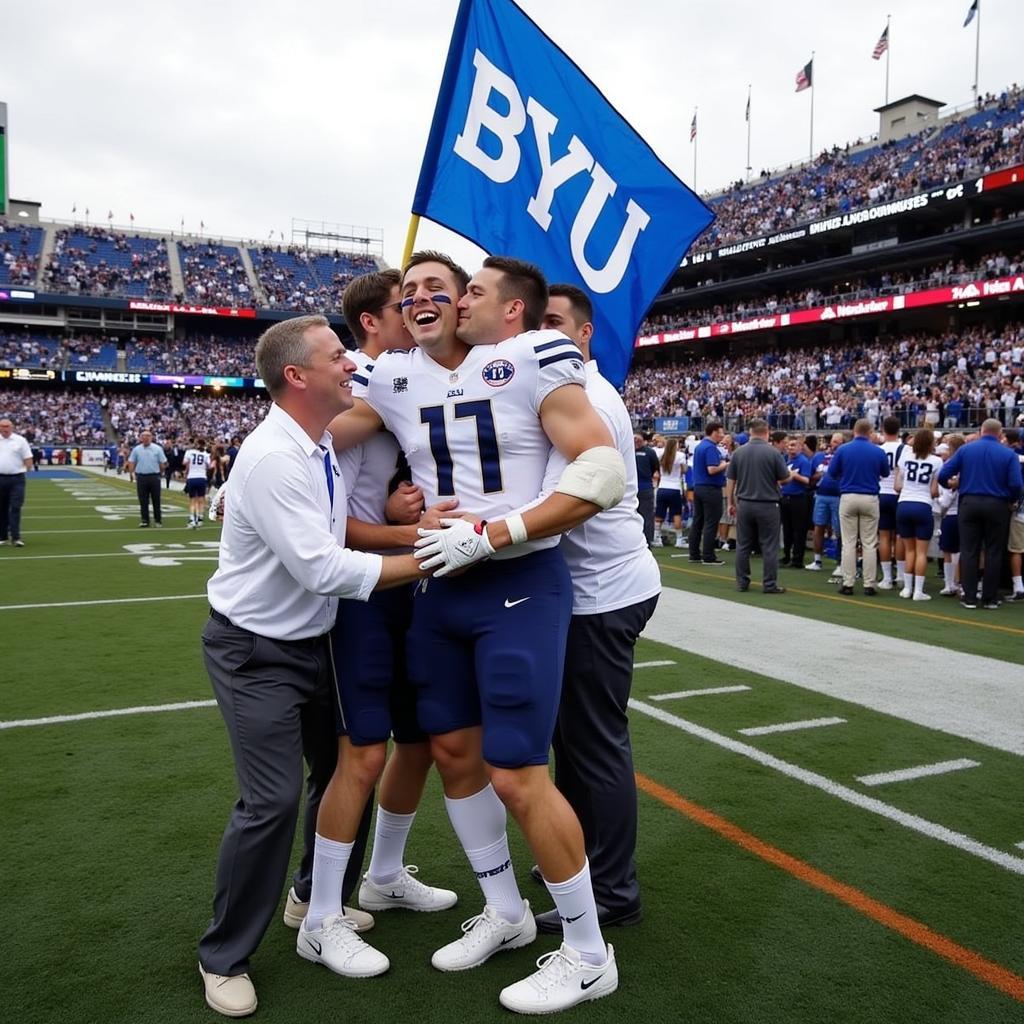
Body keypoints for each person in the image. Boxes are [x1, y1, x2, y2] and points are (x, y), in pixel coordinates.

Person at [333, 253, 626, 1014]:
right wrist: (257, 462)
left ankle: (591, 954)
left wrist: (496, 534)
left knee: (517, 769)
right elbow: (323, 429)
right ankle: (505, 912)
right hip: (440, 588)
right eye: (413, 291)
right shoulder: (393, 374)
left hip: (517, 582)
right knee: (454, 754)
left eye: (446, 287)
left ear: (477, 304)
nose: (428, 299)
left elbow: (600, 471)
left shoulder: (528, 354)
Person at [197, 314, 428, 1018]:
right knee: (270, 801)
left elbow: (338, 532)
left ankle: (310, 901)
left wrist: (408, 522)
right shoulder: (273, 455)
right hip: (256, 651)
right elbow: (322, 567)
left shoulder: (318, 437)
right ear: (297, 376)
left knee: (345, 771)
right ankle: (223, 956)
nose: (353, 364)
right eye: (338, 356)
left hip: (312, 643)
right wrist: (432, 556)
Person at [289, 270, 458, 978]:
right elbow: (336, 529)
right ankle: (318, 911)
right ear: (370, 326)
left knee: (419, 742)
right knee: (361, 753)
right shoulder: (351, 405)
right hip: (363, 596)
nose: (417, 312)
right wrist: (410, 533)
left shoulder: (399, 386)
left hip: (411, 592)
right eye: (401, 306)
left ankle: (381, 876)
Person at [532, 283, 660, 933]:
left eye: (555, 322)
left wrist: (487, 534)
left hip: (603, 593)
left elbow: (566, 506)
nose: (544, 331)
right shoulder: (567, 390)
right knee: (572, 741)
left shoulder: (589, 399)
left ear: (584, 334)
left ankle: (611, 889)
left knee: (595, 744)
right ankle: (577, 857)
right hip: (592, 589)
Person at [937, 418, 1023, 609]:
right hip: (997, 504)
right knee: (993, 551)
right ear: (1000, 434)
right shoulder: (1008, 454)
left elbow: (943, 474)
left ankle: (969, 596)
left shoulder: (966, 450)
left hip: (969, 502)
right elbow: (1017, 484)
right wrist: (1011, 500)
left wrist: (951, 485)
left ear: (981, 431)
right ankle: (990, 597)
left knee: (969, 550)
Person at [725, 419, 791, 594]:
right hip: (768, 504)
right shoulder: (773, 452)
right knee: (769, 545)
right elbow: (784, 478)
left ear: (750, 432)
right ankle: (769, 584)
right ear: (767, 432)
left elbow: (731, 480)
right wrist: (790, 475)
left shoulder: (739, 452)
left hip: (745, 503)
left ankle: (742, 582)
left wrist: (730, 502)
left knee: (743, 545)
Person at [827, 418, 890, 596]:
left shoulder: (843, 450)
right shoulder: (878, 451)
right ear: (870, 432)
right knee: (869, 543)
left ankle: (848, 583)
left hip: (848, 495)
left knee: (849, 543)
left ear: (854, 431)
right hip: (869, 496)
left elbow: (831, 473)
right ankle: (869, 584)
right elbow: (885, 473)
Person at [894, 428, 942, 601]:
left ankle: (907, 588)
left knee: (909, 550)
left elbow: (897, 486)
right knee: (921, 552)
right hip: (923, 505)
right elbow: (934, 491)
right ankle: (918, 591)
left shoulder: (905, 457)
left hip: (904, 504)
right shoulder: (937, 461)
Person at [689, 422, 728, 565]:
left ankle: (694, 554)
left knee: (698, 521)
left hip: (699, 486)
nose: (722, 435)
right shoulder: (710, 447)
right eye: (720, 432)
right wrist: (725, 464)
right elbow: (712, 469)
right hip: (710, 488)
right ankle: (708, 555)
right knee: (711, 522)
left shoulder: (700, 446)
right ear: (714, 432)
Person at [806, 432, 844, 575]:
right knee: (818, 525)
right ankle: (817, 560)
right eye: (833, 441)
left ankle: (840, 563)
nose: (834, 444)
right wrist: (820, 474)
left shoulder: (844, 456)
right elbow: (810, 476)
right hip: (821, 494)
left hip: (838, 495)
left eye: (838, 442)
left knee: (839, 530)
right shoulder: (819, 457)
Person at [877, 417, 907, 589]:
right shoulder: (905, 449)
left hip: (882, 493)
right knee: (901, 535)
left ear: (883, 429)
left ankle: (887, 578)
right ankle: (901, 575)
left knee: (884, 536)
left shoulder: (879, 449)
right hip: (899, 494)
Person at [0, 417, 33, 547]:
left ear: (12, 427)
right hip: (0, 478)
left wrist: (27, 469)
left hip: (16, 479)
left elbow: (28, 457)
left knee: (15, 507)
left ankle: (16, 537)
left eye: (7, 426)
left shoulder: (20, 440)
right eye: (2, 426)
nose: (4, 429)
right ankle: (2, 536)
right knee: (1, 509)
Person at [779, 435, 811, 569]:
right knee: (787, 529)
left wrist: (794, 475)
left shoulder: (804, 461)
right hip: (785, 498)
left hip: (798, 498)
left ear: (800, 447)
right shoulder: (785, 460)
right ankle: (786, 555)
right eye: (789, 445)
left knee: (799, 530)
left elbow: (807, 480)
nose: (790, 448)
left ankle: (797, 559)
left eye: (793, 445)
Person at [126, 429, 167, 528]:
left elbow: (163, 462)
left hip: (154, 476)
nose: (146, 438)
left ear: (151, 437)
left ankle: (158, 520)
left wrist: (160, 473)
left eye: (148, 436)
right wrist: (131, 473)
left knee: (156, 499)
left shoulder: (157, 448)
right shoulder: (136, 449)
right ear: (140, 438)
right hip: (141, 476)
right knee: (143, 500)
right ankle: (145, 520)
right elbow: (132, 461)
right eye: (143, 436)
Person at [654, 436, 686, 547]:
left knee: (659, 514)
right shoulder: (680, 456)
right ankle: (679, 540)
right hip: (675, 488)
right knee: (676, 514)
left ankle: (657, 538)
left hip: (662, 487)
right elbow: (684, 470)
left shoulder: (661, 454)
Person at [633, 433, 660, 546]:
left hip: (645, 488)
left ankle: (647, 542)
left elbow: (655, 468)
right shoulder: (627, 451)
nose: (635, 441)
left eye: (638, 439)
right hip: (630, 489)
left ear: (643, 440)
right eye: (633, 439)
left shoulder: (649, 452)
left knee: (646, 517)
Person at [183, 437, 211, 528]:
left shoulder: (189, 452)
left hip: (192, 477)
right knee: (201, 500)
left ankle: (192, 519)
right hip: (202, 477)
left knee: (192, 500)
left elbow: (184, 463)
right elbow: (209, 466)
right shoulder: (206, 454)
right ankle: (200, 518)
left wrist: (186, 472)